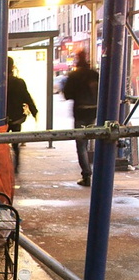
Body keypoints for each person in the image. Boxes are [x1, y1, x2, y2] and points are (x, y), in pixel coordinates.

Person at [0, 57, 38, 173]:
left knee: (0, 143)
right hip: (17, 118)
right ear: (12, 67)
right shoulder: (19, 82)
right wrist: (34, 112)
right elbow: (27, 97)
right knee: (15, 143)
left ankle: (0, 166)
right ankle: (16, 166)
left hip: (3, 118)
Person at [63, 50, 99, 187]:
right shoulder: (94, 74)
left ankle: (86, 174)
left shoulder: (74, 76)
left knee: (81, 145)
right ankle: (98, 173)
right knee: (99, 138)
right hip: (94, 111)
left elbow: (67, 95)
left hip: (80, 111)